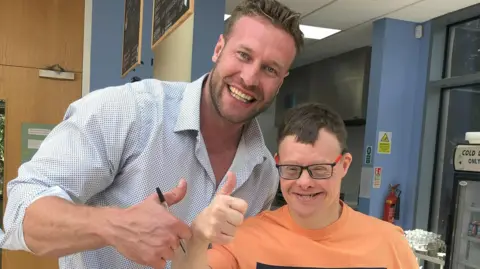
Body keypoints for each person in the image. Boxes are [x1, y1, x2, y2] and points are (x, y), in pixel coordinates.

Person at [0, 1, 304, 269]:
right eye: (243, 55)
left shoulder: (264, 175)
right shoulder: (129, 111)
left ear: (282, 80)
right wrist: (116, 226)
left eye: (270, 69)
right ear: (218, 49)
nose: (250, 78)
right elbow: (20, 213)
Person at [172, 102, 419, 269]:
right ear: (278, 164)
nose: (304, 182)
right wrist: (198, 238)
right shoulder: (245, 238)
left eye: (320, 169)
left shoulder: (389, 244)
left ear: (344, 164)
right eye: (292, 169)